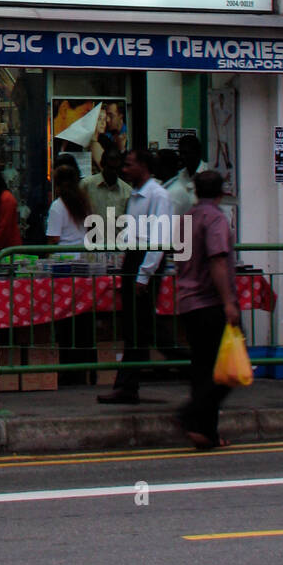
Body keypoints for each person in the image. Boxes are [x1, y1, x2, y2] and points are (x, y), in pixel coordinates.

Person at [98, 148, 173, 405]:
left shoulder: (158, 195)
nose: (124, 169)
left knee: (142, 328)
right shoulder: (136, 195)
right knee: (138, 327)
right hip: (134, 260)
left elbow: (159, 239)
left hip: (145, 263)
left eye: (129, 164)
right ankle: (128, 387)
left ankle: (191, 364)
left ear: (143, 166)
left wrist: (144, 274)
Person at [176, 169, 241, 450]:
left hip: (187, 300)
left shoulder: (185, 220)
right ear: (221, 193)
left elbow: (180, 259)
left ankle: (207, 433)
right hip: (210, 303)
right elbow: (217, 261)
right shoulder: (215, 219)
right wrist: (228, 302)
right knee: (230, 371)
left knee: (203, 369)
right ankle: (190, 415)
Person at [82, 149, 132, 223]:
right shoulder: (86, 185)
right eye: (110, 168)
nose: (113, 172)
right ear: (102, 165)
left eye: (116, 168)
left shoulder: (127, 191)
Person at [164, 134, 209, 217]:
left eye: (186, 153)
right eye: (181, 153)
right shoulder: (180, 177)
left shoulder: (209, 174)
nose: (183, 157)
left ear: (197, 152)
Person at [45, 164, 89, 247]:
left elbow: (54, 238)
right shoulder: (83, 202)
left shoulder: (57, 206)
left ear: (57, 185)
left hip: (64, 254)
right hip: (82, 252)